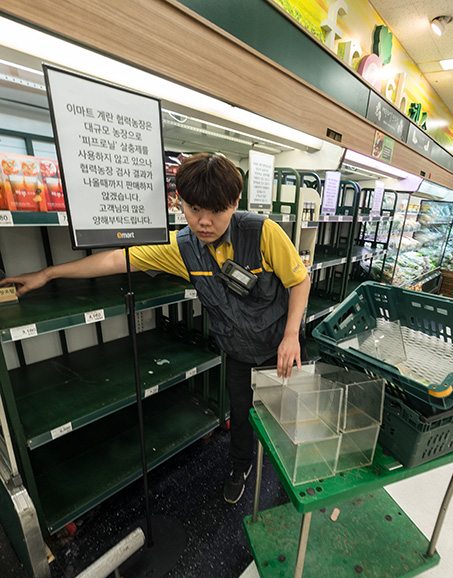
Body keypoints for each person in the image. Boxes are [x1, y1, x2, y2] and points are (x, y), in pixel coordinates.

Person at [0, 153, 310, 504]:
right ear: (180, 203)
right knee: (241, 416)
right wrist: (47, 274)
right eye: (194, 210)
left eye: (216, 212)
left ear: (235, 203)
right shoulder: (182, 249)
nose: (203, 222)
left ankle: (295, 476)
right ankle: (241, 466)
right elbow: (117, 259)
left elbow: (299, 281)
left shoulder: (263, 232)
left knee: (289, 415)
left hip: (279, 345)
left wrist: (289, 336)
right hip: (238, 351)